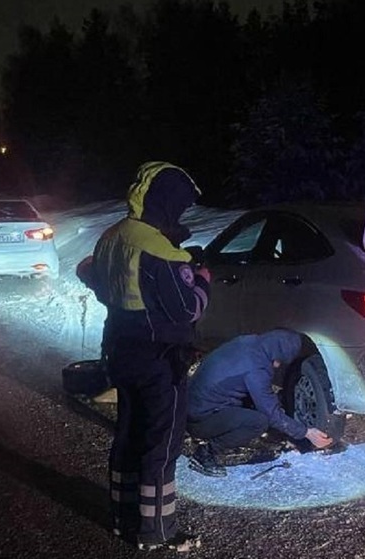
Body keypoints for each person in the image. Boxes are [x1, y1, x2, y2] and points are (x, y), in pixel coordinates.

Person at [85, 161, 211, 551]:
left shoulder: (112, 236)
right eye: (180, 205)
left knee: (128, 435)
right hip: (161, 358)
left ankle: (123, 518)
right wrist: (203, 280)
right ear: (166, 201)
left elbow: (94, 278)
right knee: (162, 443)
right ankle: (156, 530)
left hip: (121, 351)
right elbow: (186, 309)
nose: (181, 213)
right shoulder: (156, 248)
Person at [186, 329, 333, 477]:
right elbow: (271, 414)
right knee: (259, 422)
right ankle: (205, 453)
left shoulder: (248, 341)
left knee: (259, 402)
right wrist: (306, 432)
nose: (277, 366)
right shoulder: (257, 370)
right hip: (199, 420)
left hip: (192, 404)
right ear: (276, 355)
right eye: (279, 361)